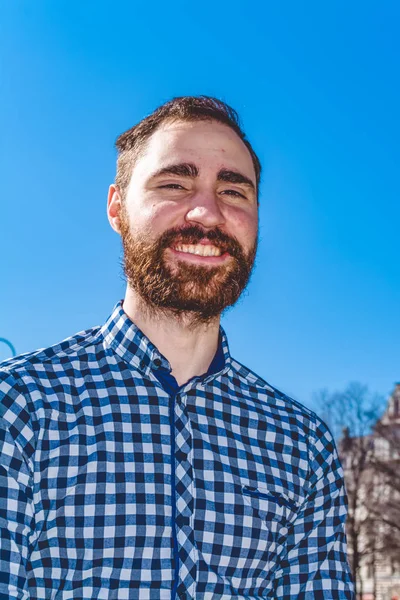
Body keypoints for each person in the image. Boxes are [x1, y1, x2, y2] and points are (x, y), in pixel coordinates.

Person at [0, 96, 354, 599]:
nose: (207, 213)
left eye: (234, 191)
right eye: (175, 183)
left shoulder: (302, 446)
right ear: (117, 208)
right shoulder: (19, 409)